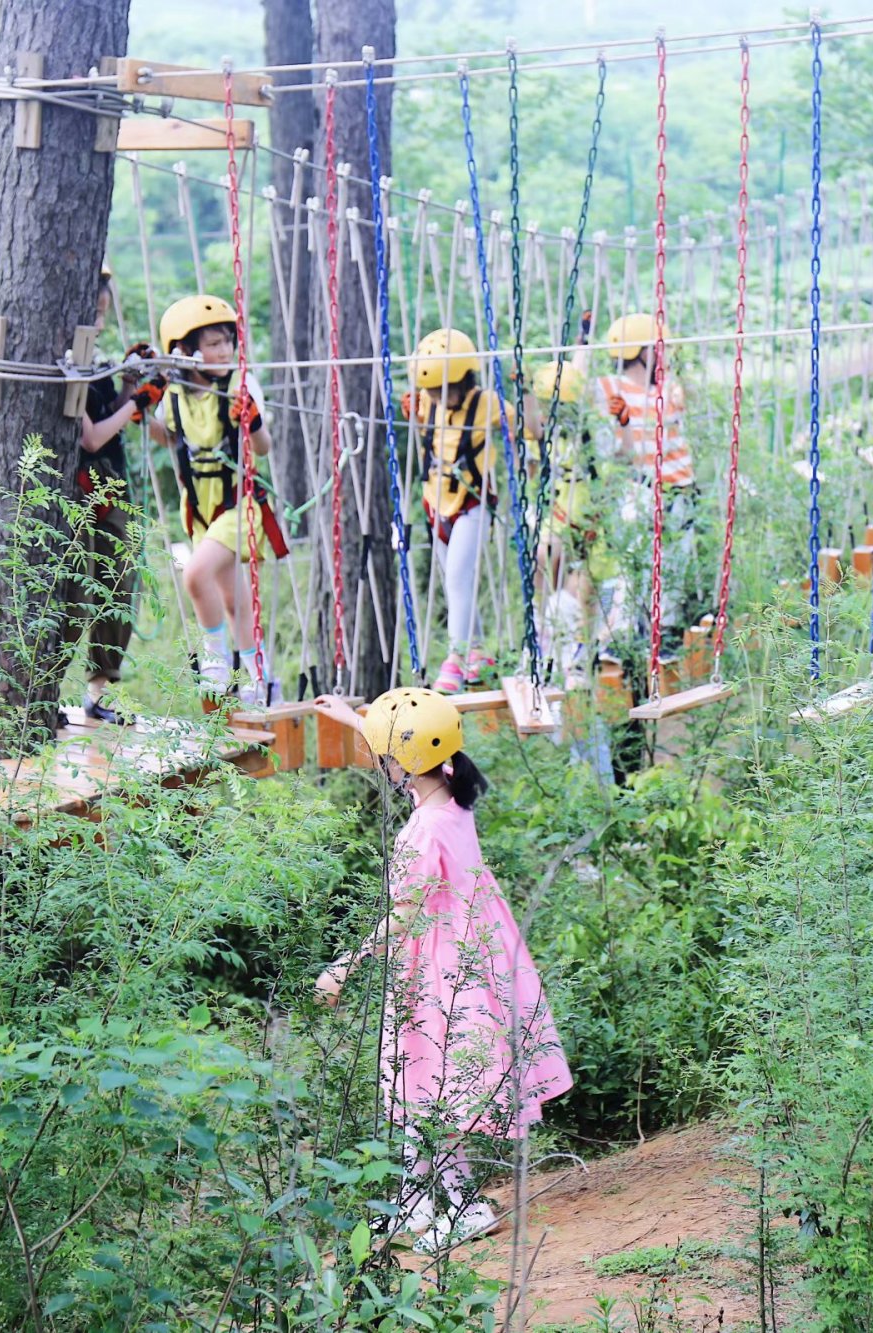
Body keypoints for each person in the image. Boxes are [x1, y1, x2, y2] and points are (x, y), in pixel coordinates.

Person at [312, 688, 574, 1253]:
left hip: (437, 967)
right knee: (425, 1081)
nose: (378, 763)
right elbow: (410, 747)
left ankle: (456, 1203)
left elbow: (400, 917)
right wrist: (354, 720)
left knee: (424, 1081)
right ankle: (421, 1201)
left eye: (380, 754)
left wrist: (343, 967)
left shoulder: (422, 831)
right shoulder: (452, 800)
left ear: (401, 764)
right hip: (472, 952)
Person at [145, 294, 288, 703]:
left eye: (226, 341)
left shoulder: (241, 385)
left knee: (195, 575)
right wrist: (140, 407)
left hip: (239, 503)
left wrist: (252, 419)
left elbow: (262, 447)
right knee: (231, 597)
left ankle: (215, 659)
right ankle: (258, 680)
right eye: (212, 344)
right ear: (186, 352)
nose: (223, 349)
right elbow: (169, 434)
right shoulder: (175, 395)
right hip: (200, 507)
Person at [70, 262, 167, 723]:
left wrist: (129, 384)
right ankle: (44, 693)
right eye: (95, 310)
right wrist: (135, 403)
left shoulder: (90, 359)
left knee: (118, 587)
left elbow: (103, 417)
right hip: (74, 490)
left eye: (103, 311)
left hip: (109, 486)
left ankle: (100, 691)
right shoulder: (64, 360)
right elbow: (88, 437)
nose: (101, 319)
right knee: (73, 591)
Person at [590, 312, 698, 645]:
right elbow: (618, 453)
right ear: (641, 350)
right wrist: (622, 425)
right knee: (637, 565)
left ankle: (664, 635)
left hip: (680, 486)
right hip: (641, 487)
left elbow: (684, 415)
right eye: (657, 347)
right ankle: (627, 636)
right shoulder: (609, 389)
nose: (663, 354)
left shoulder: (670, 388)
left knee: (675, 565)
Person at [407, 328, 501, 695]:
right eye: (429, 390)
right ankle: (477, 650)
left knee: (460, 578)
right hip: (436, 503)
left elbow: (532, 429)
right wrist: (415, 419)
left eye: (441, 390)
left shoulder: (486, 403)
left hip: (471, 503)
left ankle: (456, 657)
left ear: (464, 379)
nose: (434, 397)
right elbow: (429, 438)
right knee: (453, 583)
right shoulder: (427, 403)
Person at [525, 357, 603, 687]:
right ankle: (543, 636)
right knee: (544, 560)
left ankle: (578, 653)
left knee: (579, 590)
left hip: (592, 524)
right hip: (557, 519)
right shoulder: (547, 438)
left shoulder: (592, 436)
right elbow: (533, 431)